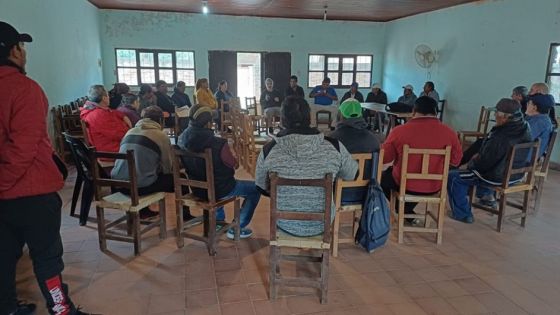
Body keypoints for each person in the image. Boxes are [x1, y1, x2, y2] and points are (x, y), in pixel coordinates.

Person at [0, 21, 90, 315]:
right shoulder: (23, 89)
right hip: (30, 191)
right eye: (21, 47)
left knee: (4, 255)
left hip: (7, 195)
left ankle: (8, 308)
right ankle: (61, 310)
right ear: (13, 51)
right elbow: (23, 149)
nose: (24, 53)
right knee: (47, 257)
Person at [255, 96, 358, 237]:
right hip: (322, 223)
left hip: (284, 221)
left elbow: (260, 187)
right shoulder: (334, 146)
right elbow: (352, 174)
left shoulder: (268, 150)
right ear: (310, 117)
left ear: (282, 120)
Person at [178, 105, 261, 239]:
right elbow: (234, 165)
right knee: (256, 189)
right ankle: (237, 227)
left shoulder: (181, 139)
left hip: (197, 189)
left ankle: (218, 221)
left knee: (215, 180)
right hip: (221, 189)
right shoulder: (218, 143)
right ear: (209, 123)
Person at [448, 99, 532, 222]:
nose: (494, 115)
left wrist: (470, 164)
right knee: (479, 145)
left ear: (504, 117)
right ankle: (486, 196)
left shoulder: (500, 136)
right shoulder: (525, 126)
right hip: (517, 174)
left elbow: (483, 164)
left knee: (454, 177)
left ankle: (463, 214)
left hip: (496, 176)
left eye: (496, 113)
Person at [111, 106, 199, 222]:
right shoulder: (160, 136)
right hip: (137, 187)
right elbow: (167, 168)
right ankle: (186, 216)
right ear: (161, 121)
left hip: (117, 185)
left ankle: (144, 211)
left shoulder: (130, 131)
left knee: (142, 170)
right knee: (179, 179)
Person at [381, 96, 462, 222]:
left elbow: (385, 158)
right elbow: (456, 161)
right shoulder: (450, 133)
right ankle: (406, 210)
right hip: (434, 186)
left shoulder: (399, 131)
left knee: (381, 178)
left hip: (405, 184)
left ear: (413, 111)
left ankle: (402, 208)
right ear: (436, 112)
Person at [329, 98, 381, 203]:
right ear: (361, 115)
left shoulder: (332, 139)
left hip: (339, 192)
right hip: (368, 193)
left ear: (340, 115)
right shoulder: (373, 139)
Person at [80, 85, 130, 153]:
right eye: (108, 95)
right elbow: (121, 134)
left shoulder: (94, 109)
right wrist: (128, 128)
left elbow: (113, 112)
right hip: (110, 150)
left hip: (108, 145)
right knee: (141, 147)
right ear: (104, 98)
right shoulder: (99, 114)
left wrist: (124, 117)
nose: (109, 97)